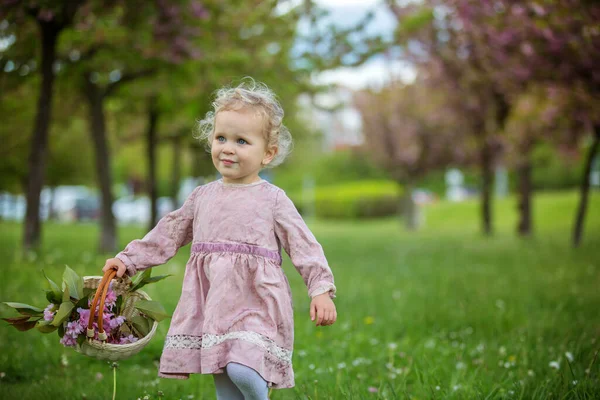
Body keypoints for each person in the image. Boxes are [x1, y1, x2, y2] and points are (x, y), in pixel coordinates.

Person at [102, 78, 337, 399]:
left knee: (242, 366)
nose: (227, 147)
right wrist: (128, 260)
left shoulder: (273, 199)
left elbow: (303, 244)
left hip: (258, 300)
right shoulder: (201, 197)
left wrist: (320, 289)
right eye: (221, 137)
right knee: (226, 379)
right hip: (214, 300)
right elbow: (168, 234)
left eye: (242, 141)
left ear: (268, 153)